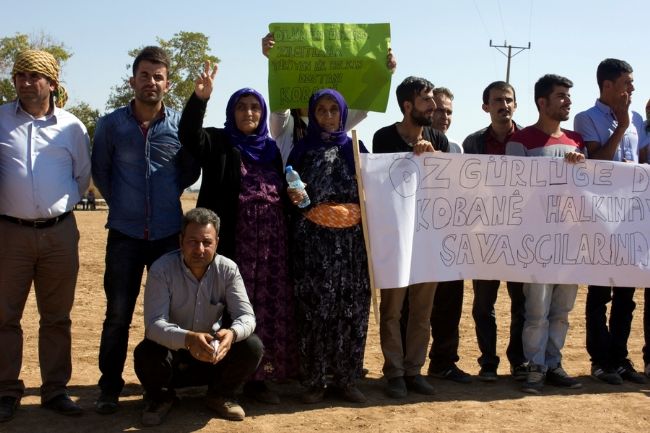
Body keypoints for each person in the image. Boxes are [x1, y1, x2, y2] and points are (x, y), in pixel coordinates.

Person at [178, 61, 297, 404]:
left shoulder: (271, 150)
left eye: (255, 107)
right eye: (242, 107)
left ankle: (259, 380)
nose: (249, 112)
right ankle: (227, 383)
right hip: (234, 248)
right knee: (233, 312)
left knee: (268, 310)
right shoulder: (217, 141)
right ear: (232, 112)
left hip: (272, 250)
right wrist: (199, 99)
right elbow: (188, 135)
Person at [91, 46, 200, 414]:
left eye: (158, 77)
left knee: (165, 316)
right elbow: (101, 172)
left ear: (167, 84)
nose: (151, 82)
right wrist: (124, 205)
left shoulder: (178, 128)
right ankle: (109, 386)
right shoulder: (110, 125)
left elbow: (189, 172)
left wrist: (167, 196)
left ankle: (161, 386)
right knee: (117, 314)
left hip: (168, 236)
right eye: (144, 75)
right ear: (132, 79)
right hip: (124, 235)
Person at [0, 49, 91, 422]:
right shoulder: (0, 119)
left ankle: (55, 390)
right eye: (20, 75)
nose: (24, 82)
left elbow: (82, 178)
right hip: (9, 234)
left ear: (52, 83)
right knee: (4, 317)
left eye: (33, 76)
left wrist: (57, 206)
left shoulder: (72, 127)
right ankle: (6, 390)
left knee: (57, 317)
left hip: (59, 235)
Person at [133, 207, 263, 426]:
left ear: (217, 242)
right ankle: (162, 398)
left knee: (251, 346)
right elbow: (154, 325)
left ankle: (221, 394)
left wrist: (231, 333)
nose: (199, 249)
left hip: (212, 356)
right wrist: (188, 338)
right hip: (174, 356)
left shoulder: (228, 269)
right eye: (192, 241)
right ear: (181, 241)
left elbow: (247, 317)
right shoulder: (162, 269)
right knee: (147, 352)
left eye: (207, 242)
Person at [287, 88, 370, 404]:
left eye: (333, 110)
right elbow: (292, 195)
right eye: (320, 110)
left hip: (351, 246)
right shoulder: (301, 152)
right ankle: (314, 381)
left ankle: (347, 380)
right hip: (313, 245)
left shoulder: (357, 149)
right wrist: (294, 196)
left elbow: (375, 190)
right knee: (314, 311)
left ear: (343, 114)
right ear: (312, 114)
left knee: (351, 310)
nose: (327, 116)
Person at [506, 74, 585, 394]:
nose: (567, 101)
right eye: (561, 96)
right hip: (536, 239)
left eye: (568, 96)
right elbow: (512, 188)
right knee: (536, 309)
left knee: (562, 310)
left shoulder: (577, 140)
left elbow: (587, 191)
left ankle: (554, 364)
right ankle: (535, 367)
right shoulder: (521, 141)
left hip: (569, 239)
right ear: (542, 102)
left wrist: (577, 169)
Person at [574, 58, 648, 385]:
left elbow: (643, 163)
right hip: (600, 219)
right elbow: (597, 163)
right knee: (599, 294)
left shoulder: (638, 120)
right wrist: (619, 127)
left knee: (626, 297)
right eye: (626, 84)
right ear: (607, 86)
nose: (631, 89)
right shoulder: (586, 118)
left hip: (631, 221)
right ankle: (600, 361)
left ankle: (620, 359)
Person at [372, 76, 439, 398]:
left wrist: (433, 155)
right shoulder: (383, 137)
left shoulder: (438, 136)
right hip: (394, 238)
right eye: (427, 100)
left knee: (422, 312)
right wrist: (414, 155)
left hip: (427, 240)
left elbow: (445, 181)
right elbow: (385, 180)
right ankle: (394, 373)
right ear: (408, 105)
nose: (433, 105)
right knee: (392, 310)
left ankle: (415, 370)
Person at [462, 81, 527, 381]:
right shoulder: (472, 144)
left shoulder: (528, 141)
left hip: (520, 237)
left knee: (521, 303)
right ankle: (488, 362)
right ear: (486, 106)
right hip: (484, 236)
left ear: (516, 104)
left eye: (509, 100)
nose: (504, 105)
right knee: (483, 305)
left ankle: (519, 360)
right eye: (498, 100)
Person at [262, 32, 397, 163]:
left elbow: (364, 103)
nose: (328, 116)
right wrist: (275, 60)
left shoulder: (334, 122)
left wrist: (384, 70)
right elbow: (280, 105)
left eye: (333, 109)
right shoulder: (285, 127)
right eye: (304, 80)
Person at [425, 87, 471, 384]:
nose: (444, 116)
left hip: (450, 240)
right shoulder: (411, 142)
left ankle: (444, 361)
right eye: (439, 110)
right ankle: (408, 365)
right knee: (414, 308)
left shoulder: (457, 149)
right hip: (421, 239)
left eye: (449, 111)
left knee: (449, 305)